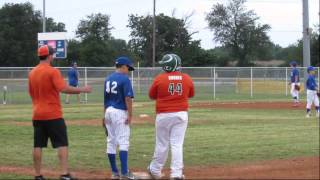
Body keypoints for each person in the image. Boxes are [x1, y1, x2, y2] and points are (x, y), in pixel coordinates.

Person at [28, 45, 92, 180]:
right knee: (62, 143)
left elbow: (31, 93)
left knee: (38, 144)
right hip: (53, 114)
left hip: (37, 114)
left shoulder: (32, 72)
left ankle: (37, 175)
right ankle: (64, 174)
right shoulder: (53, 71)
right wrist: (83, 89)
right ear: (50, 56)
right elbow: (63, 88)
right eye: (53, 55)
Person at [147, 54, 194, 179]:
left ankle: (155, 170)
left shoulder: (160, 78)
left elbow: (151, 95)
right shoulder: (186, 78)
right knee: (177, 144)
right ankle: (176, 174)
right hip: (181, 114)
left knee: (162, 144)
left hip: (163, 115)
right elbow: (191, 94)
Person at [103, 56, 136, 179]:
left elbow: (105, 100)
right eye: (128, 67)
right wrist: (130, 115)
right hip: (119, 112)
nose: (128, 70)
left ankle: (115, 172)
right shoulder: (125, 79)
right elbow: (128, 98)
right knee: (123, 141)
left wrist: (104, 116)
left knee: (111, 141)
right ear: (123, 66)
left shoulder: (108, 79)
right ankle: (124, 173)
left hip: (109, 111)